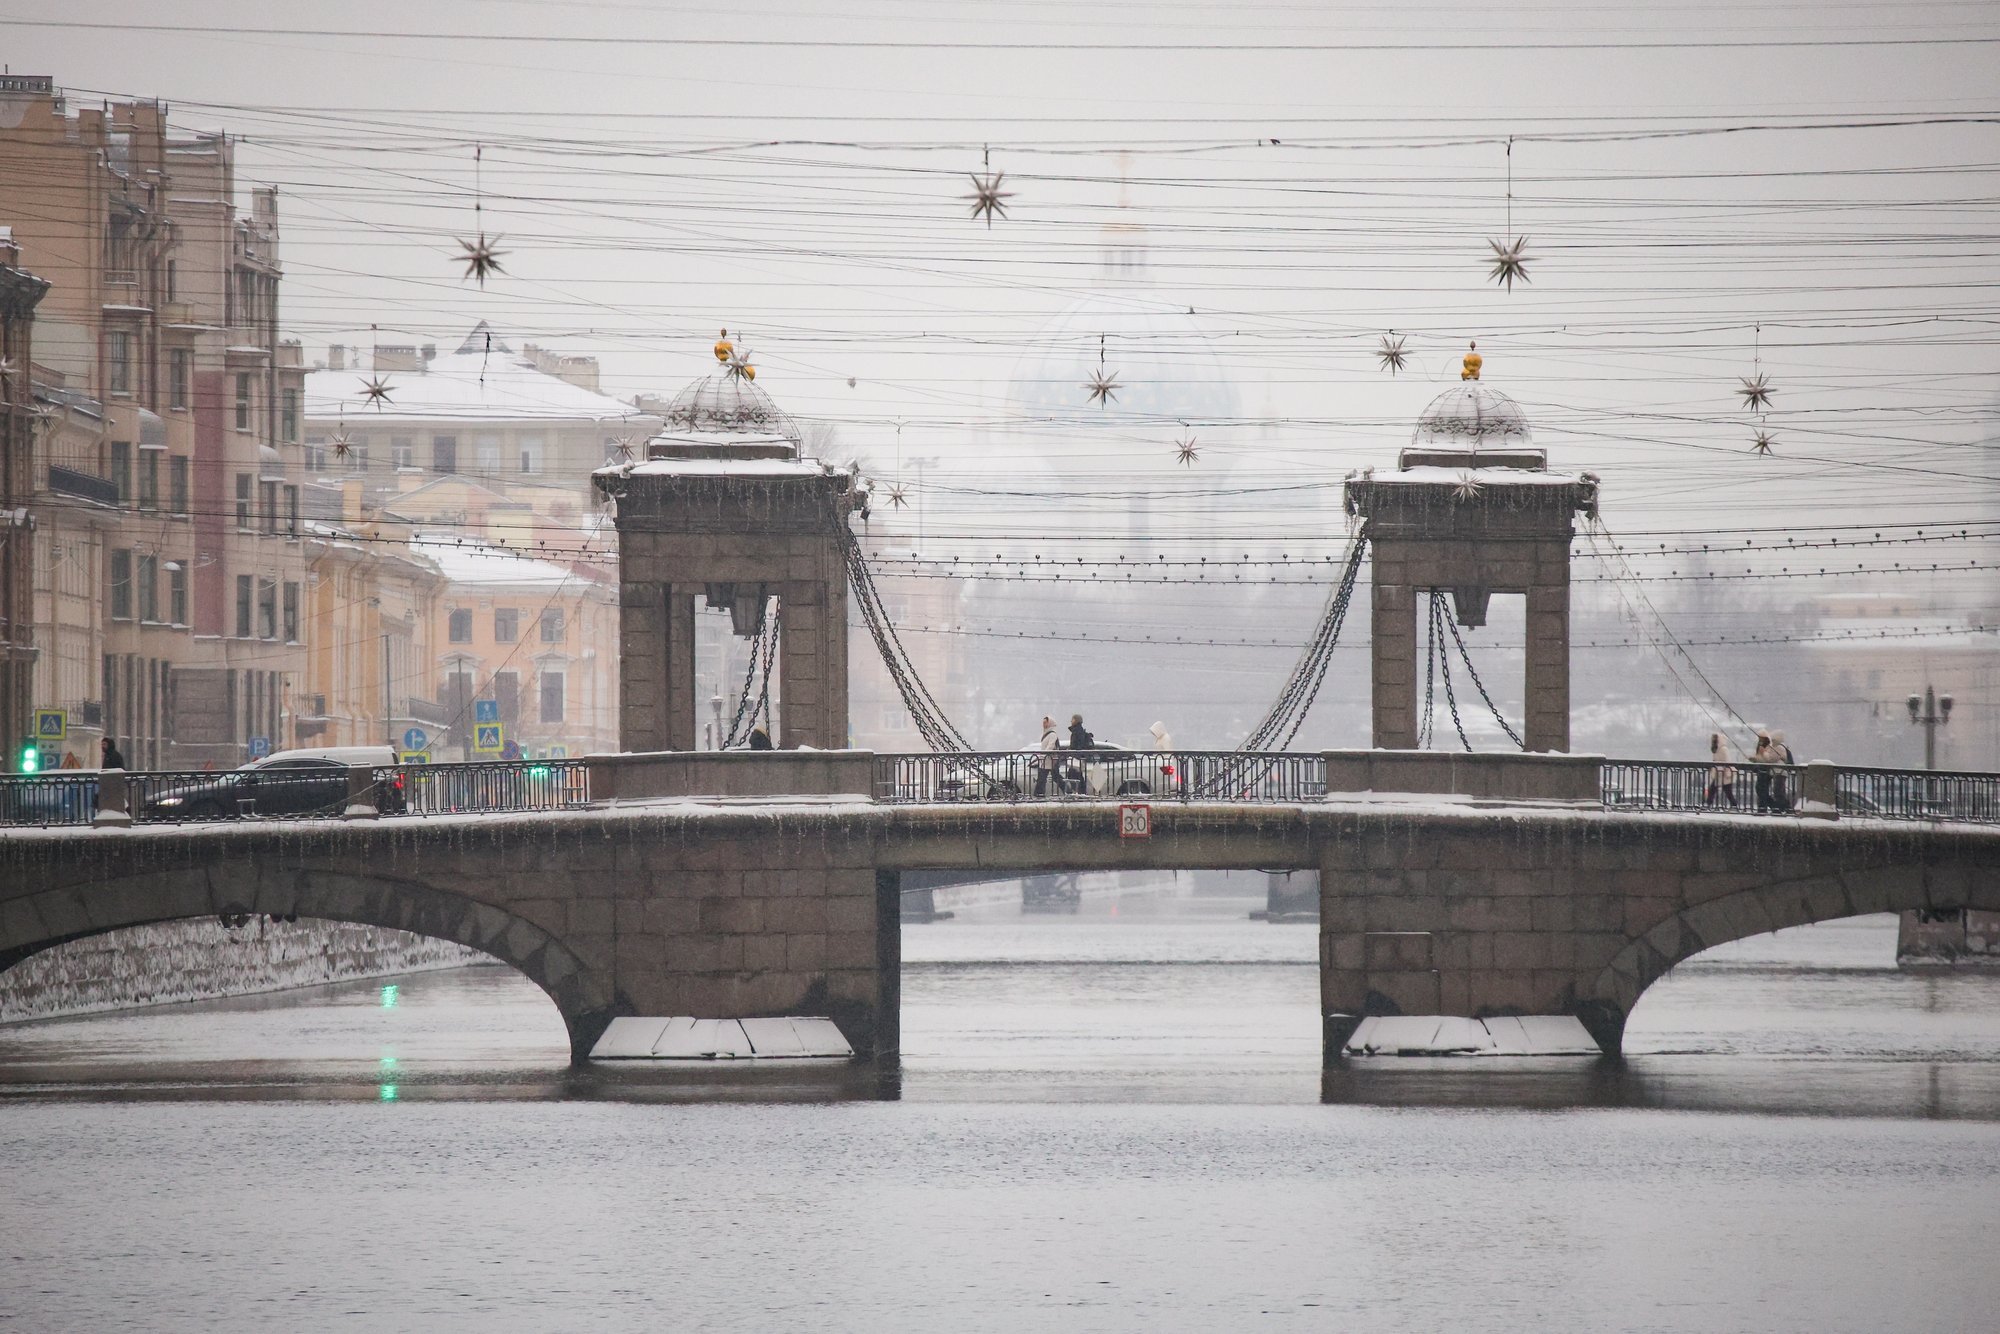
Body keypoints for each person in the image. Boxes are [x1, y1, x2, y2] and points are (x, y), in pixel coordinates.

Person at [1750, 728, 1781, 812]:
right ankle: (1766, 807)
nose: (1760, 740)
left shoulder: (1769, 747)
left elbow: (1769, 759)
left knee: (1762, 790)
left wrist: (1763, 753)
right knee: (1761, 790)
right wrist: (1755, 759)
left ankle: (1771, 807)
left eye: (1761, 738)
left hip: (1766, 771)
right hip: (1760, 770)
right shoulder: (1760, 746)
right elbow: (1760, 758)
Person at [1703, 732, 1737, 808]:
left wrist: (1721, 768)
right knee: (1714, 789)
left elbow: (1727, 761)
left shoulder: (1723, 749)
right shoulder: (1716, 749)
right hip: (1719, 773)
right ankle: (1709, 803)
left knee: (1726, 791)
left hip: (1725, 774)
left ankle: (1734, 805)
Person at [1033, 715, 1061, 798]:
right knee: (1043, 778)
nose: (1044, 725)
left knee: (1050, 778)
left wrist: (1043, 754)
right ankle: (1039, 794)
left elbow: (1051, 746)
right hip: (1045, 760)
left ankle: (1039, 794)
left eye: (1045, 723)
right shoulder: (1046, 734)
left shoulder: (1052, 734)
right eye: (1043, 723)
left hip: (1050, 760)